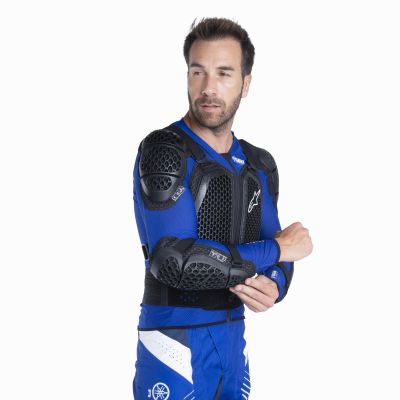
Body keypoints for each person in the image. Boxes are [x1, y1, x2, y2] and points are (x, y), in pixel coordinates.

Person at [132, 17, 313, 400]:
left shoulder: (259, 165)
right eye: (198, 71)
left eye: (224, 73)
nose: (208, 87)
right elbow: (175, 262)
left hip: (233, 338)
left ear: (245, 83)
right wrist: (278, 251)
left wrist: (275, 284)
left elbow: (278, 251)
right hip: (172, 340)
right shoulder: (165, 151)